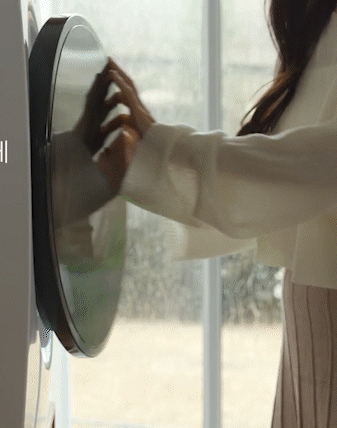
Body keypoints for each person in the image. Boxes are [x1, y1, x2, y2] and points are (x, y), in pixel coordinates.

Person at [87, 1, 337, 427]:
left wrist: (162, 150)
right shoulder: (322, 23)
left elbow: (318, 165)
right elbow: (280, 189)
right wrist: (152, 161)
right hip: (311, 326)